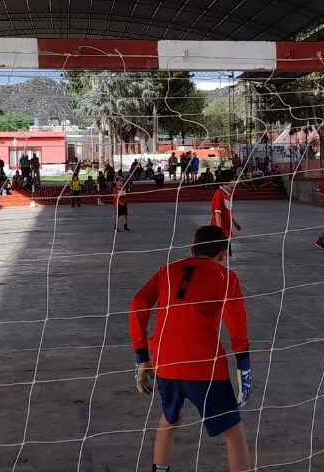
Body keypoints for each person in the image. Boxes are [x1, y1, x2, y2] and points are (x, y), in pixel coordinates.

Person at [128, 225, 252, 472]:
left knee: (170, 420)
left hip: (165, 362)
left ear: (192, 250)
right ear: (225, 254)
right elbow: (236, 324)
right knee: (233, 431)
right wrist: (244, 367)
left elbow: (138, 303)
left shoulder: (167, 271)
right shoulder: (226, 277)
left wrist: (141, 356)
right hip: (204, 366)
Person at [211, 181, 242, 256]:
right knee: (220, 257)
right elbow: (217, 213)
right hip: (221, 234)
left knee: (226, 256)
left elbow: (228, 212)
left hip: (227, 232)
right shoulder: (219, 194)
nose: (234, 184)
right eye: (232, 181)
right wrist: (219, 231)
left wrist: (235, 223)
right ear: (226, 182)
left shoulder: (228, 195)